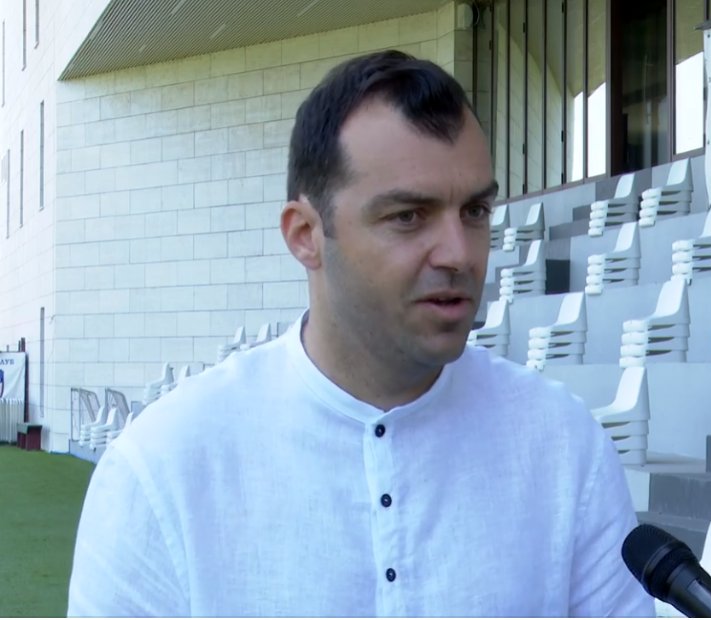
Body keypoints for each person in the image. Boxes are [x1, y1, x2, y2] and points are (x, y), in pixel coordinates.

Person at [67, 50, 654, 617]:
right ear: (305, 235)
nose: (459, 254)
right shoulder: (165, 467)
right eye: (408, 216)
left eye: (474, 212)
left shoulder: (563, 445)